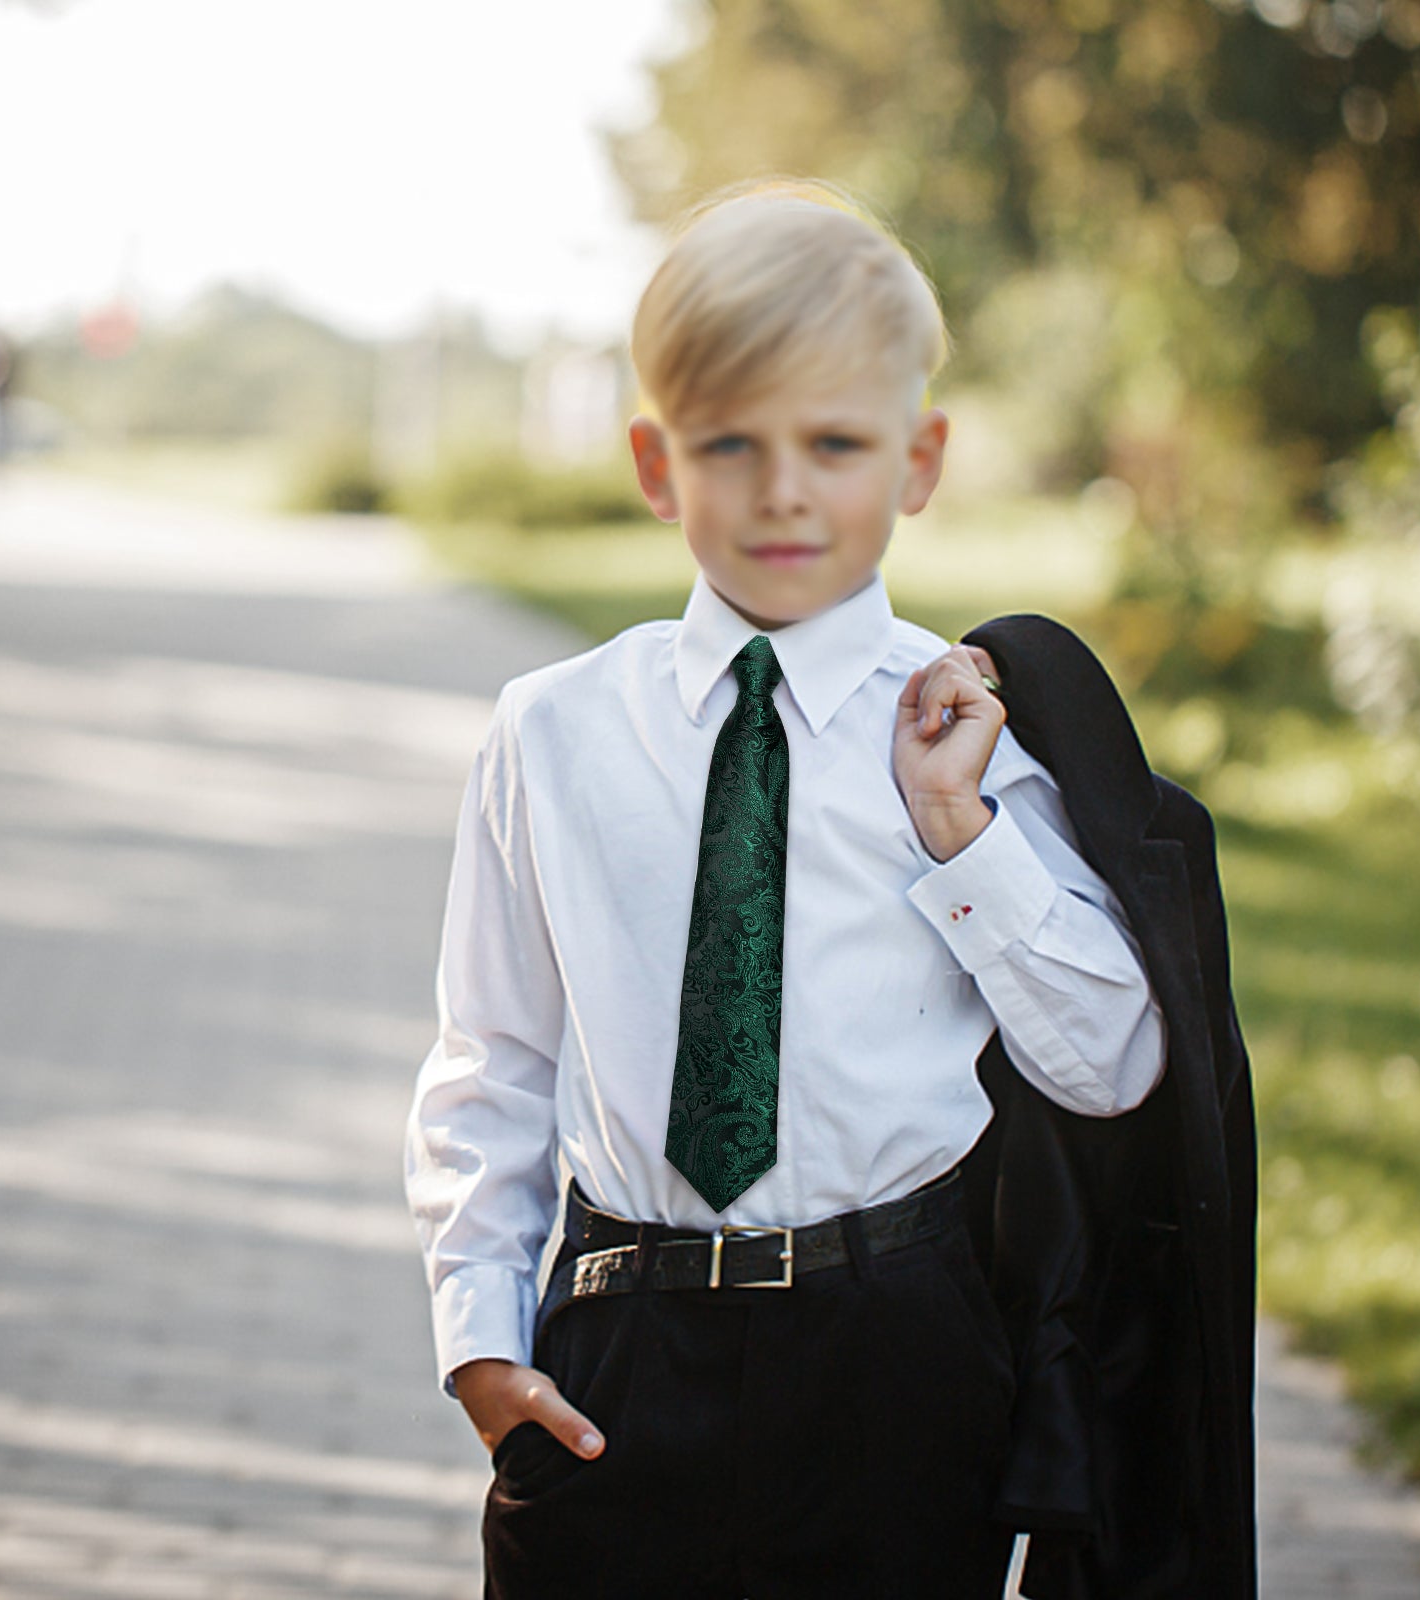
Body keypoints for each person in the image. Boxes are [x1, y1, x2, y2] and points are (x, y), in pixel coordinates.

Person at [403, 176, 1170, 1599]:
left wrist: (961, 836)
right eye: (730, 444)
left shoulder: (967, 735)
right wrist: (481, 1340)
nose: (783, 489)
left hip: (896, 1356)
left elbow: (1116, 1065)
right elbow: (494, 1056)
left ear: (918, 458)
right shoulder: (551, 732)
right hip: (617, 1354)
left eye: (835, 441)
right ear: (654, 463)